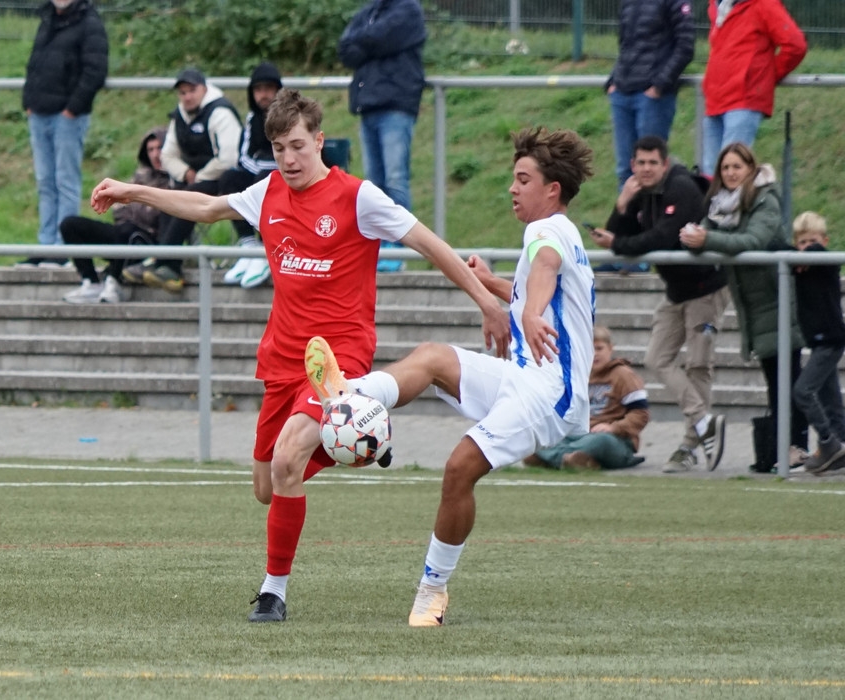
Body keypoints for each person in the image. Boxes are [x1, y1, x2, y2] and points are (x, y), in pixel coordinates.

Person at [90, 89, 511, 624]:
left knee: (290, 458)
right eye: (278, 149)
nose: (288, 159)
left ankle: (273, 592)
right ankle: (358, 438)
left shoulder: (358, 198)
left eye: (297, 146)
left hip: (337, 359)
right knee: (267, 488)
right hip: (281, 359)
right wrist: (131, 191)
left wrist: (486, 302)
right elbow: (207, 208)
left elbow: (430, 245)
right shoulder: (267, 192)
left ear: (318, 141)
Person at [306, 126, 596, 627]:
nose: (512, 188)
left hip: (551, 392)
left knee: (460, 468)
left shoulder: (548, 233)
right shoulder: (560, 234)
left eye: (523, 179)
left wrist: (531, 313)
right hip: (525, 375)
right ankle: (352, 394)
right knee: (434, 357)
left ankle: (432, 591)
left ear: (552, 190)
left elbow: (544, 269)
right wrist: (493, 285)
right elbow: (538, 282)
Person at [590, 136, 729, 474]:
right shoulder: (641, 192)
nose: (646, 169)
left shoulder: (681, 187)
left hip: (705, 288)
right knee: (656, 357)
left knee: (698, 365)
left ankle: (689, 445)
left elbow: (664, 237)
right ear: (632, 165)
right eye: (640, 163)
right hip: (675, 291)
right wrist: (622, 202)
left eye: (653, 162)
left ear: (665, 164)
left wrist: (619, 242)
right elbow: (616, 237)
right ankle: (704, 422)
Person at [679, 142, 809, 471]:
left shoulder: (765, 199)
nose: (731, 173)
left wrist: (706, 240)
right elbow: (708, 233)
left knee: (788, 380)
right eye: (725, 168)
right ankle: (784, 449)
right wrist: (693, 236)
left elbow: (752, 241)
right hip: (754, 306)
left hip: (779, 299)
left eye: (737, 166)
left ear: (751, 169)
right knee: (777, 380)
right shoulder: (721, 205)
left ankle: (797, 447)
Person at [123, 68, 242, 293]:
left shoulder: (220, 112)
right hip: (193, 178)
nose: (187, 97)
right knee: (170, 199)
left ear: (204, 89)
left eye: (192, 91)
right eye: (182, 92)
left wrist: (199, 176)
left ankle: (163, 261)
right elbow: (168, 155)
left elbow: (229, 158)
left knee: (187, 198)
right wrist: (186, 173)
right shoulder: (180, 115)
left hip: (224, 179)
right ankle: (169, 266)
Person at [18, 0, 108, 269]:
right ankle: (46, 245)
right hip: (40, 114)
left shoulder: (89, 22)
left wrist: (72, 109)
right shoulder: (48, 19)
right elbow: (35, 64)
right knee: (45, 182)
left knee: (65, 181)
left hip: (67, 117)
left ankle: (63, 249)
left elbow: (95, 70)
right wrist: (29, 102)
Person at [338, 0, 426, 273]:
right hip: (368, 106)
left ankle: (398, 248)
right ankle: (377, 247)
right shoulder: (370, 11)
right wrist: (371, 41)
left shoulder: (408, 10)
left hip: (396, 106)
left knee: (395, 180)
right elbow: (345, 49)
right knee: (374, 185)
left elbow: (376, 39)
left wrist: (365, 42)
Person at [59, 127, 170, 304]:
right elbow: (118, 209)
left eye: (160, 148)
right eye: (150, 150)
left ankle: (114, 281)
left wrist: (136, 206)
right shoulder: (141, 176)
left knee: (128, 230)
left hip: (148, 242)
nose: (155, 155)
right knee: (70, 224)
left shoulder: (175, 181)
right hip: (124, 233)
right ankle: (91, 282)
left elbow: (156, 216)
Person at [700, 0, 806, 177]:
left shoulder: (763, 4)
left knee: (732, 172)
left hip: (743, 100)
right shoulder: (718, 5)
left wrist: (765, 77)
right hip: (715, 99)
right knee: (711, 174)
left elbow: (795, 45)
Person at [527, 326, 650, 470]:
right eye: (590, 349)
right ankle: (576, 460)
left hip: (615, 439)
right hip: (580, 435)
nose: (595, 354)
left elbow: (641, 414)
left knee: (601, 441)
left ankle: (553, 457)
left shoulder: (624, 375)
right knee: (542, 435)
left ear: (611, 348)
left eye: (599, 348)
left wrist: (613, 427)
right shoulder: (578, 375)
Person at [606, 0, 695, 190]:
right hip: (622, 92)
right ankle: (627, 210)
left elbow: (686, 46)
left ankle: (654, 210)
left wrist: (659, 85)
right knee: (625, 169)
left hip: (653, 99)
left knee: (652, 169)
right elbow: (625, 43)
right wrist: (613, 81)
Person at [219, 62, 284, 290]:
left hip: (290, 178)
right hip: (261, 174)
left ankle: (267, 248)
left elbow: (287, 155)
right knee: (230, 178)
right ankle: (249, 247)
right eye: (258, 89)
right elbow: (244, 156)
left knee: (265, 179)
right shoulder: (252, 119)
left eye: (268, 88)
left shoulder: (290, 117)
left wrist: (261, 167)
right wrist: (260, 167)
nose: (263, 95)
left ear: (277, 90)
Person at [791, 211, 845, 474]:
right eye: (801, 243)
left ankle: (827, 442)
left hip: (830, 339)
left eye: (812, 241)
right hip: (818, 341)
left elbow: (818, 254)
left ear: (824, 241)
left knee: (803, 391)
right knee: (830, 399)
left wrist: (808, 251)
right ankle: (841, 445)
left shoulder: (826, 263)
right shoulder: (800, 267)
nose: (806, 247)